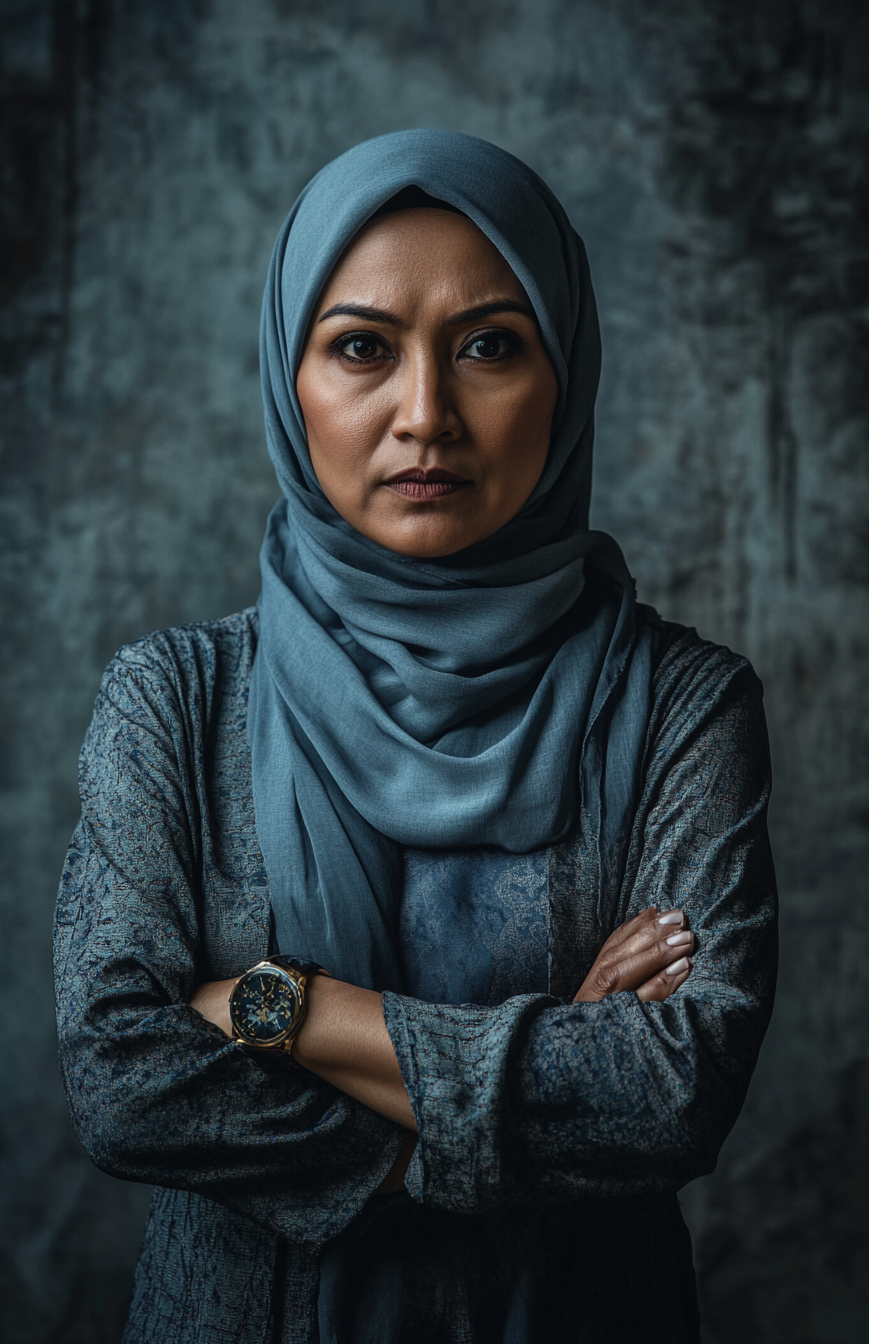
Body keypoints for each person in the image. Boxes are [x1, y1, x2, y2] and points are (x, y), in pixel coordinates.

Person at [54, 130, 778, 1343]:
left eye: (489, 346)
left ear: (568, 371)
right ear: (291, 382)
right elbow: (124, 1084)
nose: (425, 415)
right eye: (359, 349)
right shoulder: (173, 703)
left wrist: (283, 1009)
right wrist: (537, 1081)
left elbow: (669, 1094)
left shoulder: (680, 706)